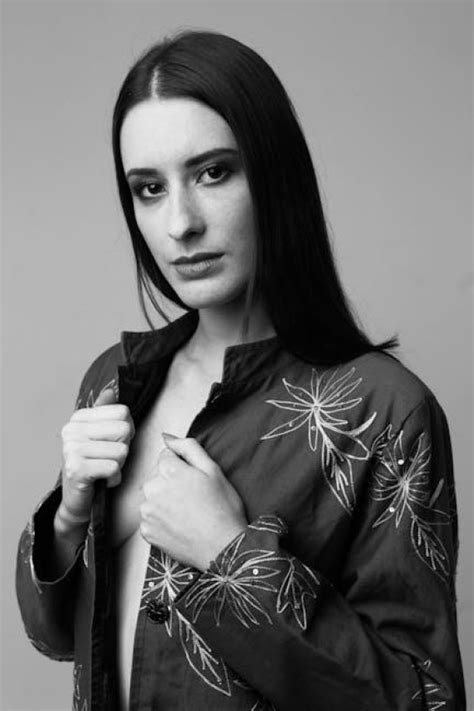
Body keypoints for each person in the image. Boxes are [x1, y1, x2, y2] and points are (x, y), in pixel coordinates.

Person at [16, 29, 466, 711]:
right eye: (148, 188)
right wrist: (68, 519)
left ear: (275, 176)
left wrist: (232, 556)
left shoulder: (384, 412)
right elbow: (55, 635)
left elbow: (423, 700)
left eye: (213, 173)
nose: (180, 223)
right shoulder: (115, 382)